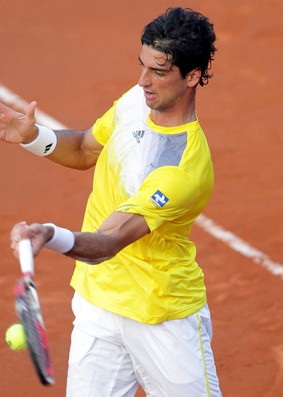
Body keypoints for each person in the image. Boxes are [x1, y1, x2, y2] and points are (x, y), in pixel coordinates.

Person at [1, 7, 222, 397]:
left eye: (158, 71)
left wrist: (48, 235)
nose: (143, 81)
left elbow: (107, 243)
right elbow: (87, 148)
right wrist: (34, 136)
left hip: (161, 315)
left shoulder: (184, 168)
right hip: (99, 304)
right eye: (142, 66)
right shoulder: (135, 102)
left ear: (191, 76)